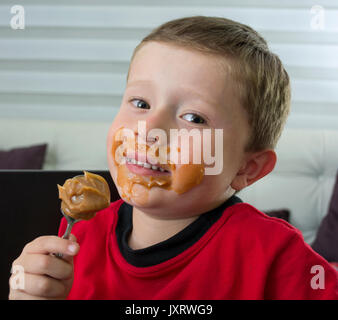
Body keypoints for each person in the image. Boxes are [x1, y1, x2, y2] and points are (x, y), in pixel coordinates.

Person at [9, 16, 338, 300]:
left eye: (194, 118)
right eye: (140, 103)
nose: (150, 129)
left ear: (247, 168)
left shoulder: (277, 256)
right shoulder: (80, 235)